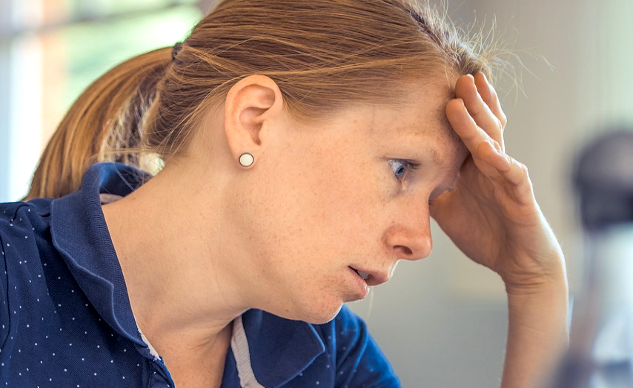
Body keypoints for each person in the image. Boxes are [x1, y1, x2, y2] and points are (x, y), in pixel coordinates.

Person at [1, 0, 569, 387]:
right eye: (402, 168)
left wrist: (536, 282)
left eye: (434, 195)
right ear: (255, 121)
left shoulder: (327, 355)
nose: (420, 241)